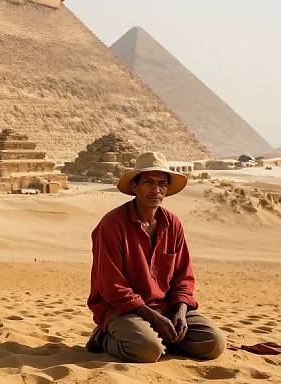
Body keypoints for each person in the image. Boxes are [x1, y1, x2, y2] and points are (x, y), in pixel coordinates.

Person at [86, 151, 226, 363]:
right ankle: (104, 337)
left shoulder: (173, 224)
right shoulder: (112, 225)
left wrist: (180, 312)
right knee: (147, 350)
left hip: (166, 308)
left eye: (162, 183)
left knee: (214, 342)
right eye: (148, 182)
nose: (156, 190)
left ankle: (158, 337)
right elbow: (112, 287)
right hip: (123, 309)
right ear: (134, 186)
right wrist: (153, 318)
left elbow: (184, 278)